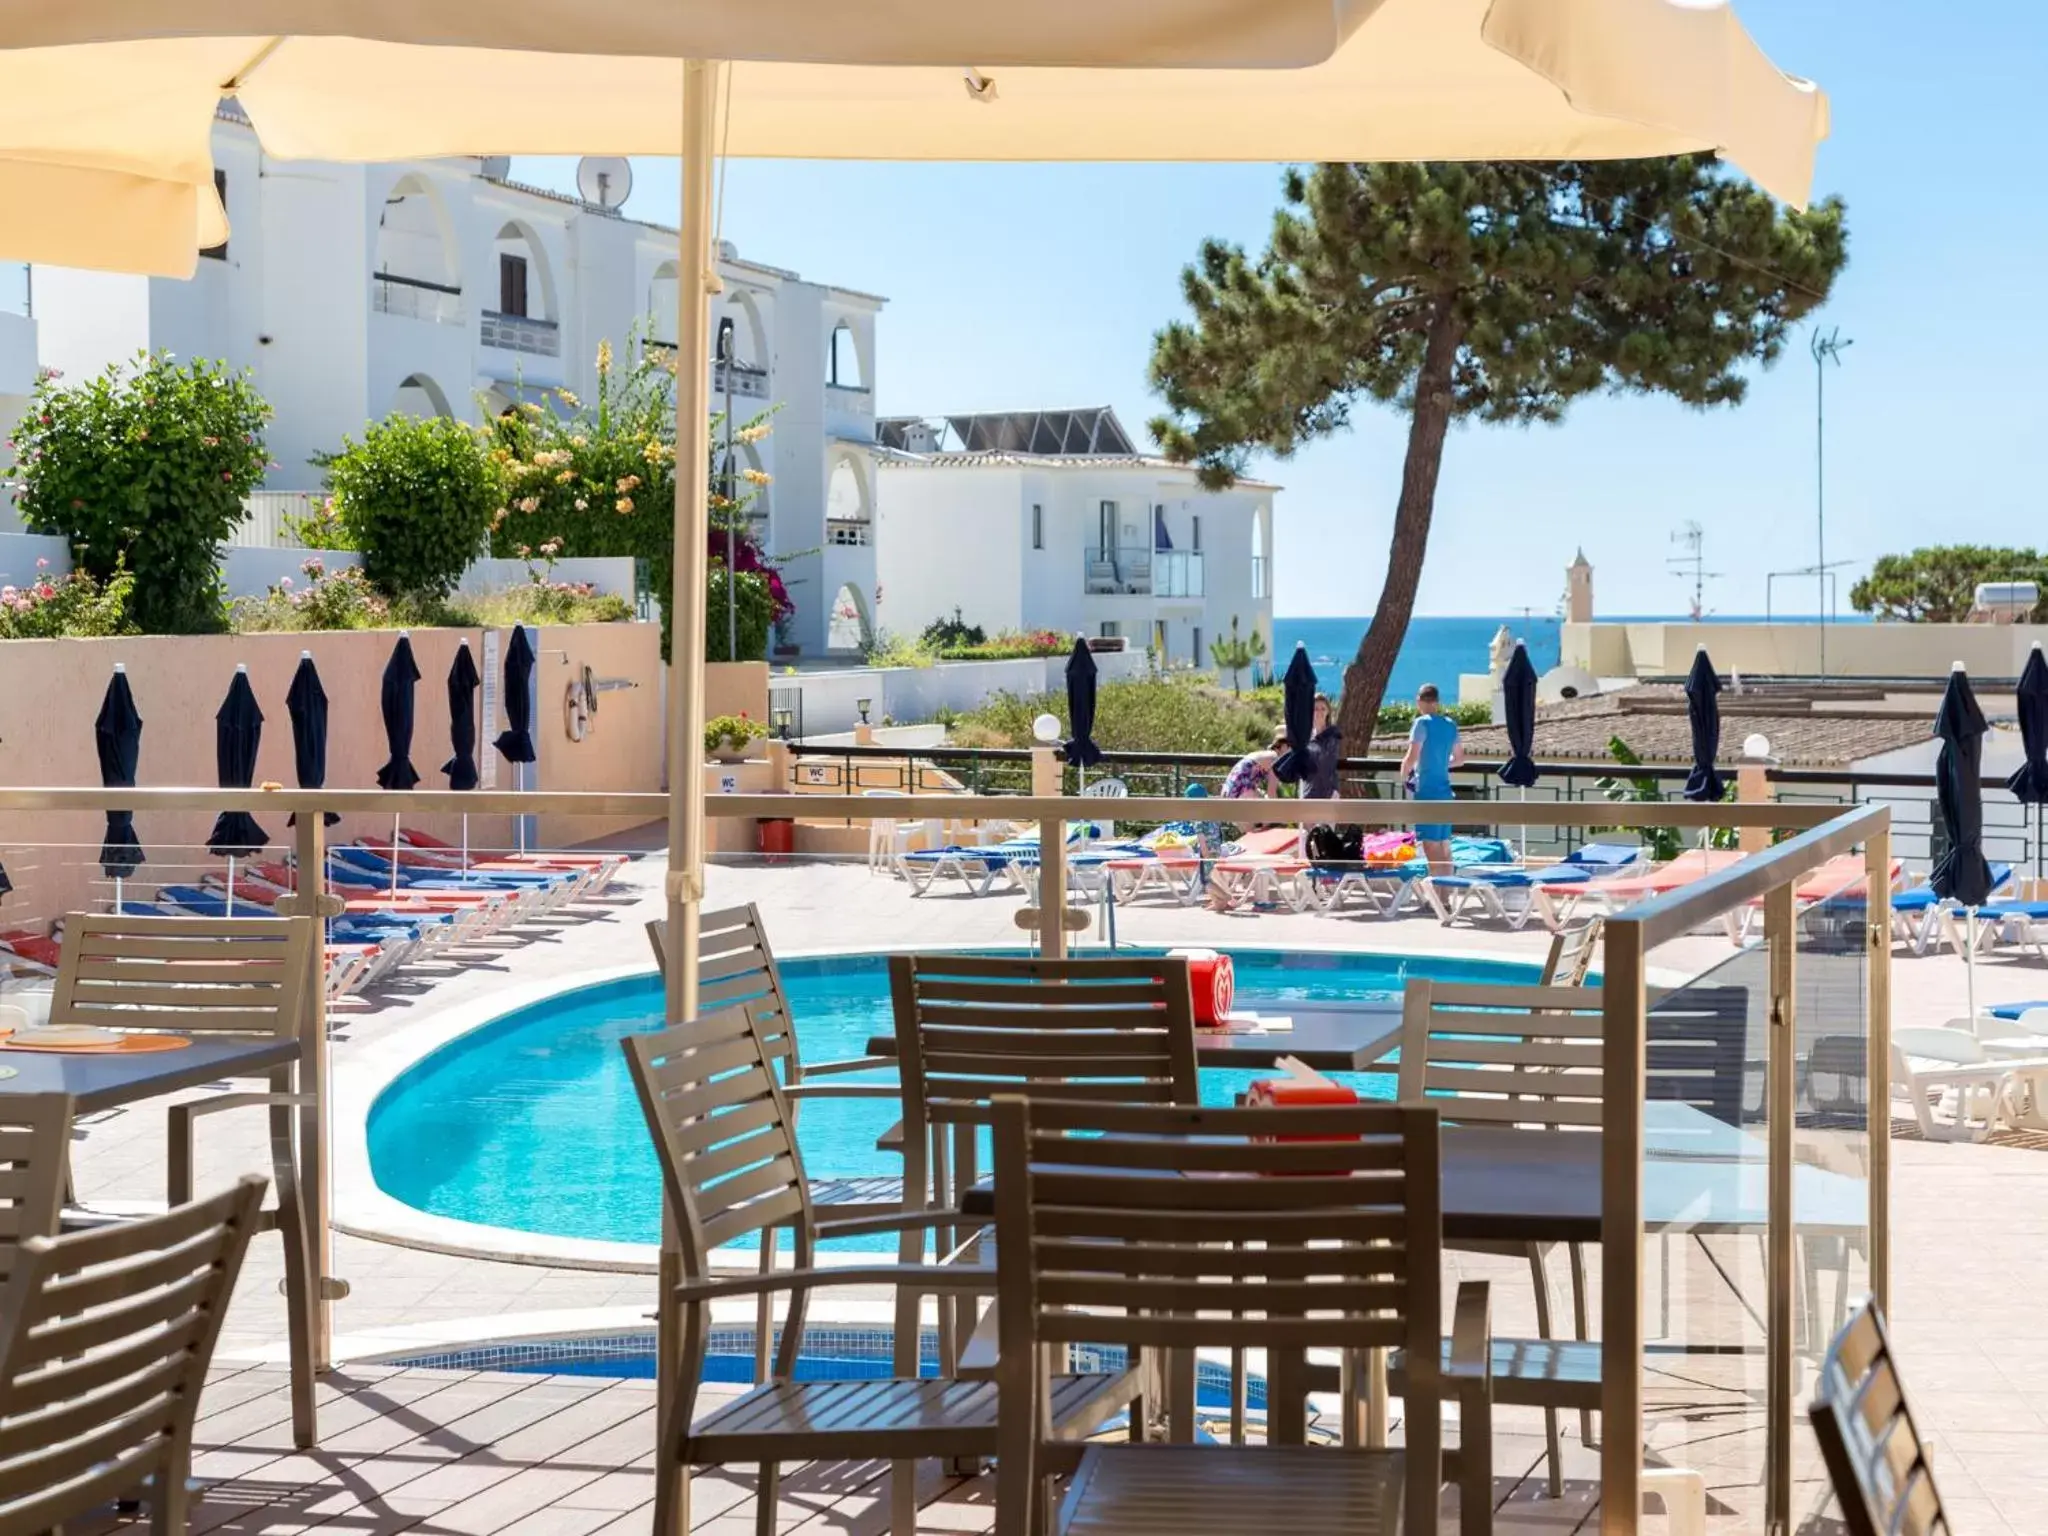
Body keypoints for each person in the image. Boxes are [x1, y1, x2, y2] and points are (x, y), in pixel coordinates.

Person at [1400, 683, 1464, 874]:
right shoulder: (1450, 725)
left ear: (1419, 701)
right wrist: (1442, 763)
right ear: (1437, 702)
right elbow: (1460, 759)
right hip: (1445, 793)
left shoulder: (1421, 723)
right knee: (1445, 846)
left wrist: (1404, 776)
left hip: (1427, 792)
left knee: (1430, 846)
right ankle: (1446, 898)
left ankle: (1436, 897)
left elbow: (1412, 757)